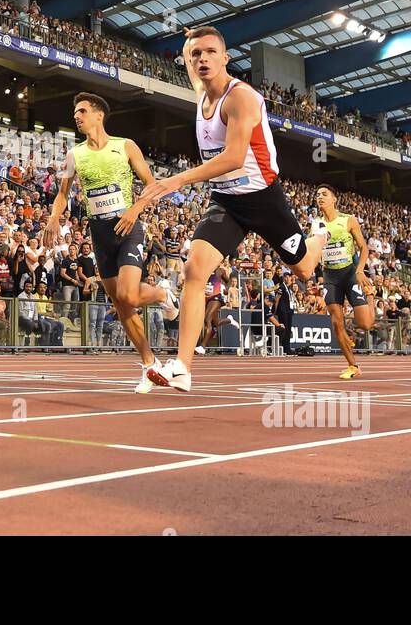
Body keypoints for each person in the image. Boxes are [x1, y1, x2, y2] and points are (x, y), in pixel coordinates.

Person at [136, 27, 325, 392]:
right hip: (225, 200)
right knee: (194, 268)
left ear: (226, 58)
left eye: (210, 52)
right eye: (195, 55)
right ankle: (183, 367)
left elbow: (235, 157)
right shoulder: (199, 88)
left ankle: (318, 235)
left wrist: (177, 180)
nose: (202, 59)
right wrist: (189, 39)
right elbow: (192, 60)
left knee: (303, 268)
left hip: (263, 198)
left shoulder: (242, 99)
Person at [44, 93, 166, 392]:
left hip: (128, 227)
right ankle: (150, 365)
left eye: (82, 111)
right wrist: (53, 218)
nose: (77, 116)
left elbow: (152, 185)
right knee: (121, 306)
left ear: (99, 115)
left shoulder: (124, 146)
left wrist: (135, 209)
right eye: (75, 112)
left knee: (129, 297)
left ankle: (163, 295)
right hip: (99, 234)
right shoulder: (75, 155)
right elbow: (63, 193)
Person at [315, 184, 374, 379]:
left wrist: (359, 271)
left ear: (334, 199)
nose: (320, 197)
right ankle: (353, 366)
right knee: (336, 323)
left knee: (365, 325)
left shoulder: (348, 220)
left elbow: (364, 248)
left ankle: (371, 296)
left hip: (349, 274)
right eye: (317, 195)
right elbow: (313, 251)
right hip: (330, 277)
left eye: (324, 194)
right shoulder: (316, 224)